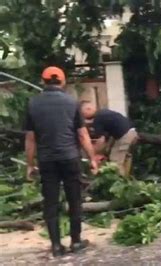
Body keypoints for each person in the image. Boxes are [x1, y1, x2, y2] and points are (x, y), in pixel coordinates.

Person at [24, 66, 98, 257]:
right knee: (74, 200)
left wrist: (30, 164)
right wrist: (92, 159)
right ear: (63, 81)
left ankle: (56, 246)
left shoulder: (33, 103)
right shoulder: (71, 102)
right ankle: (76, 241)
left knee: (50, 203)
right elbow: (82, 135)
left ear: (43, 81)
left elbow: (30, 138)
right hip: (69, 158)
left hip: (47, 160)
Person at [80, 101, 137, 176]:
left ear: (88, 109)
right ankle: (126, 179)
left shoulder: (98, 119)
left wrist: (92, 154)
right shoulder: (104, 112)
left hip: (124, 136)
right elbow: (107, 138)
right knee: (124, 160)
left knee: (114, 163)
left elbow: (101, 141)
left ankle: (118, 183)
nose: (83, 117)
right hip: (132, 133)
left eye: (83, 114)